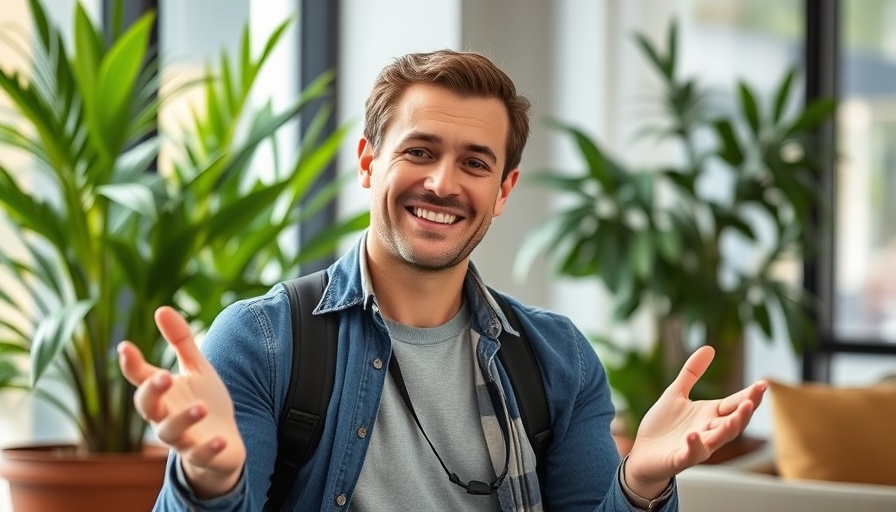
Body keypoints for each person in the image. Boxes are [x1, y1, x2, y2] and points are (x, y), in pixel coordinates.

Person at [118, 49, 766, 511]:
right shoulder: (266, 343)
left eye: (475, 163)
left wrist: (642, 487)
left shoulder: (557, 359)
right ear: (369, 162)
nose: (442, 184)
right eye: (419, 151)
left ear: (504, 189)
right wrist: (209, 480)